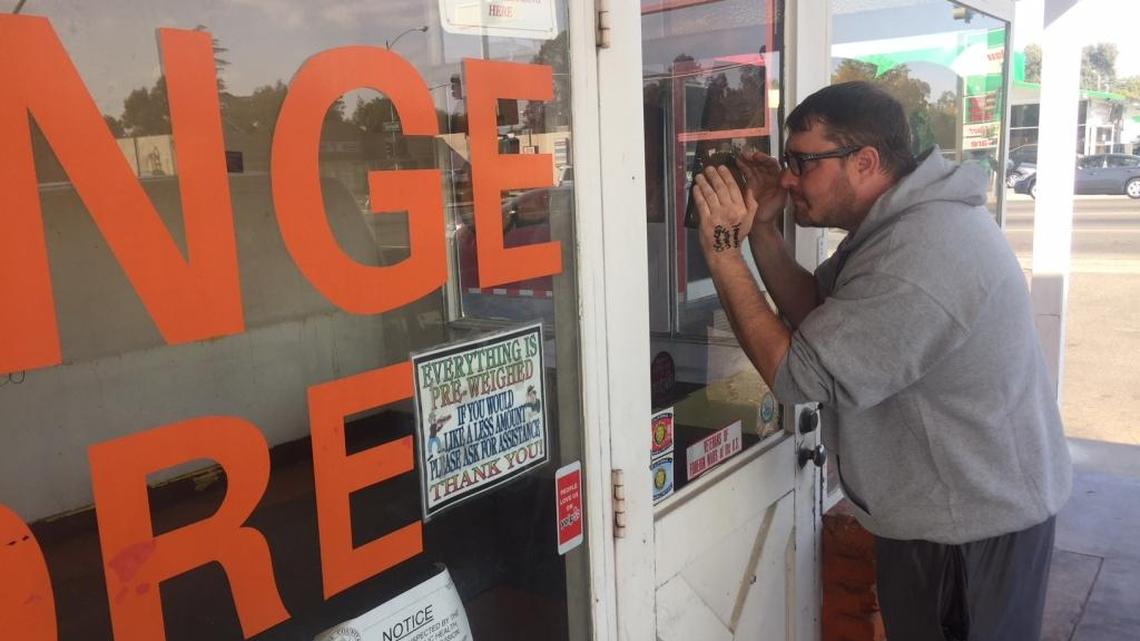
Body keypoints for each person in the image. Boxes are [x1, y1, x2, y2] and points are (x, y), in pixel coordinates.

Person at [691, 81, 1071, 641]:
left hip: (968, 536)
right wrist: (765, 230)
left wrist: (724, 251)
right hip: (951, 518)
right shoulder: (904, 226)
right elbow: (819, 314)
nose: (788, 177)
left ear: (865, 161)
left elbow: (797, 376)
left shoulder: (919, 255)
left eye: (802, 161)